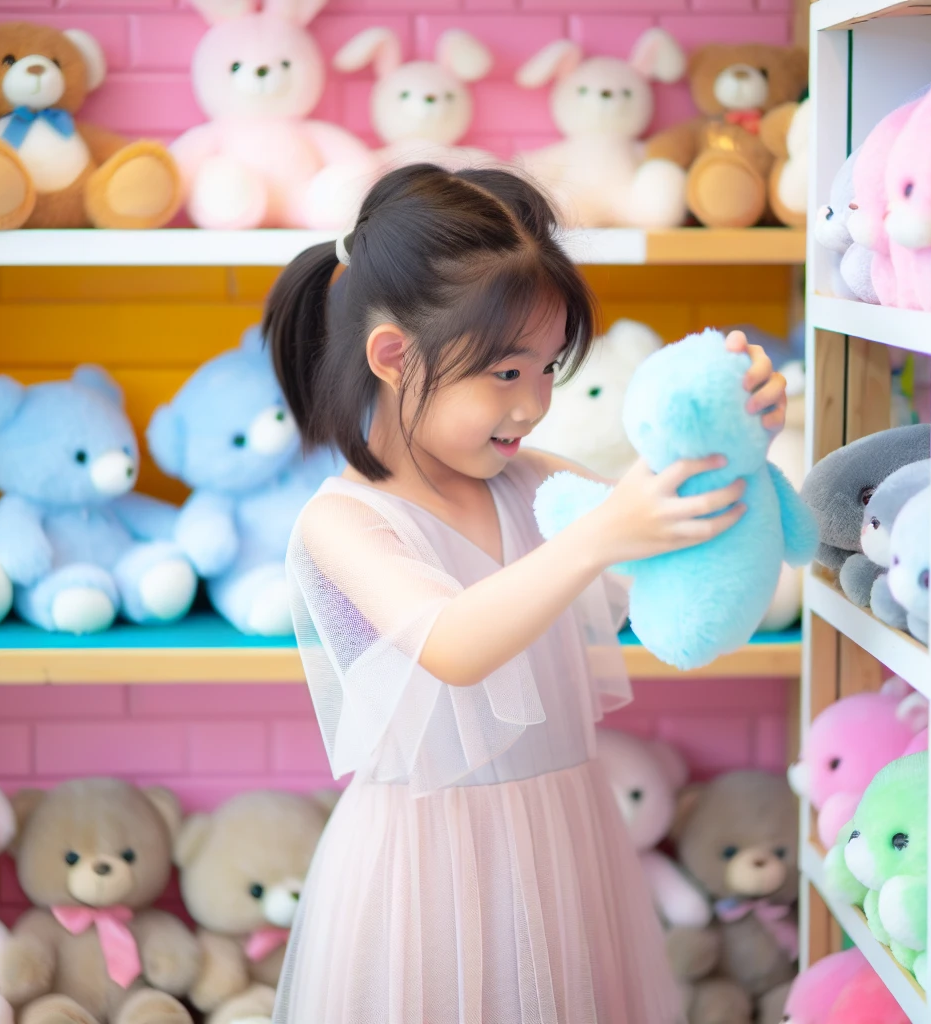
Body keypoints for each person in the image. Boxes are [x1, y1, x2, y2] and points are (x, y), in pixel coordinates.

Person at [263, 163, 789, 1024]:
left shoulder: (534, 482)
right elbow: (452, 645)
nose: (537, 404)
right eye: (507, 374)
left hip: (564, 838)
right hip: (426, 873)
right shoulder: (345, 521)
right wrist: (598, 534)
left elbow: (660, 528)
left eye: (549, 368)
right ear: (394, 358)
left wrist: (735, 433)